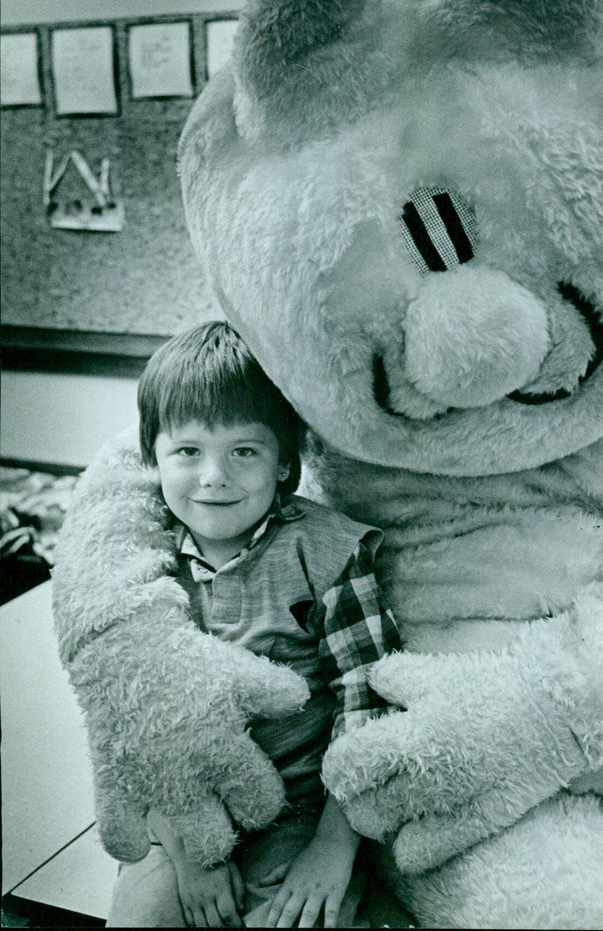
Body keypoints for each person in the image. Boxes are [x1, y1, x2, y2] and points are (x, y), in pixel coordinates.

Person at [105, 321, 402, 929]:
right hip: (178, 812)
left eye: (244, 451)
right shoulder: (136, 560)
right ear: (150, 456)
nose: (214, 476)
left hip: (303, 816)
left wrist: (332, 850)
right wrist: (190, 854)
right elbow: (131, 721)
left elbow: (370, 701)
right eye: (187, 451)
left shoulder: (330, 554)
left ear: (285, 461)